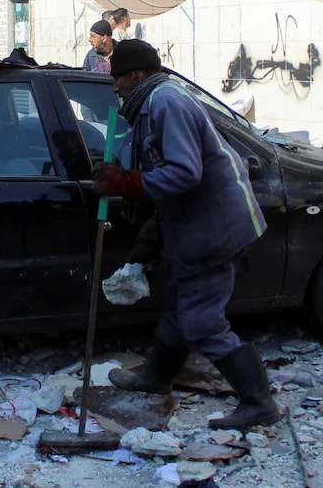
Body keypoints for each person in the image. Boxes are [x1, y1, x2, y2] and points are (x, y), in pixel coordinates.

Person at [95, 39, 279, 430]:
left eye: (118, 79)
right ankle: (156, 378)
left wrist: (127, 182)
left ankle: (258, 402)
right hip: (195, 220)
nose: (115, 88)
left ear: (136, 75)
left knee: (201, 318)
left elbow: (183, 172)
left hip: (215, 225)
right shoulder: (149, 105)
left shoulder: (166, 103)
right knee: (180, 303)